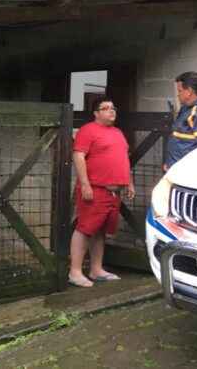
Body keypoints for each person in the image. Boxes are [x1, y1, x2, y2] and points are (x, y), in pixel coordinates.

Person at [69, 96, 135, 288]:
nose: (111, 111)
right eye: (105, 108)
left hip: (114, 193)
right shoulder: (88, 130)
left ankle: (96, 270)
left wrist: (129, 182)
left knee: (100, 231)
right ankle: (74, 272)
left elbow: (124, 158)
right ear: (96, 113)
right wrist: (85, 184)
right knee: (85, 229)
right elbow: (78, 156)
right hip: (95, 189)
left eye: (113, 108)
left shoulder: (118, 132)